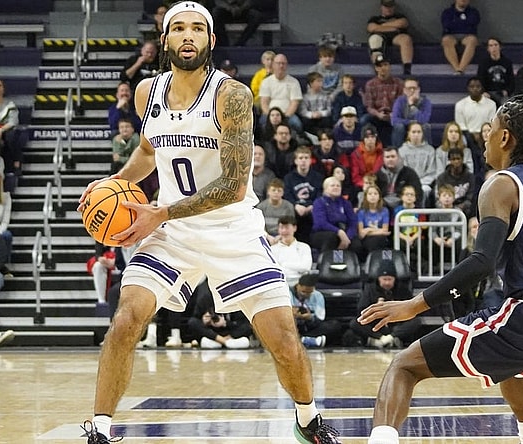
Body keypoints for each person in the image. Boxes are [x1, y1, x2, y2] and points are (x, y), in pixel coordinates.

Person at [76, 4, 342, 443]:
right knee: (126, 320)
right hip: (173, 233)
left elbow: (235, 186)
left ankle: (307, 419)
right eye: (178, 28)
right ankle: (101, 430)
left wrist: (159, 212)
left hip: (232, 229)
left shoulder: (231, 96)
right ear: (165, 41)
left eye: (197, 28)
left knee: (285, 343)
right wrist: (112, 183)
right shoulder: (147, 93)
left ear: (210, 41)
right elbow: (147, 151)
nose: (187, 35)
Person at [358, 95, 523, 444]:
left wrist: (413, 305)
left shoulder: (502, 184)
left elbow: (481, 262)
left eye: (492, 128)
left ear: (505, 138)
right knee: (512, 368)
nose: (485, 135)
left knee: (405, 365)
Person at [349, 261, 418, 348]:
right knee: (355, 323)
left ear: (395, 279)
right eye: (384, 279)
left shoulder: (402, 289)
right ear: (378, 279)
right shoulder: (370, 289)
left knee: (416, 322)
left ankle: (390, 338)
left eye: (390, 279)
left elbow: (410, 308)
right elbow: (361, 310)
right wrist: (375, 307)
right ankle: (381, 340)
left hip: (395, 324)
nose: (387, 283)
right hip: (375, 326)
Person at [185, 282, 253, 349]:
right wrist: (205, 320)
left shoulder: (234, 299)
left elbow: (243, 323)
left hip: (231, 334)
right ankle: (225, 342)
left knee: (249, 326)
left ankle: (221, 342)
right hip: (212, 334)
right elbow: (195, 319)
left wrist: (225, 323)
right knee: (192, 322)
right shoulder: (206, 298)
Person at [311, 176, 362, 255]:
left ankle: (353, 265)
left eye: (338, 186)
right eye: (332, 185)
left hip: (344, 232)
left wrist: (347, 237)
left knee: (356, 244)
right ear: (325, 189)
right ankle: (326, 263)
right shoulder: (319, 202)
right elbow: (321, 223)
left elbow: (353, 222)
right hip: (323, 232)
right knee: (331, 238)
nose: (336, 187)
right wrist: (339, 232)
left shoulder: (346, 203)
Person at [291, 273, 342, 348]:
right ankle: (309, 341)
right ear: (298, 286)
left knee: (334, 325)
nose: (306, 295)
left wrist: (310, 317)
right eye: (303, 292)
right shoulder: (288, 294)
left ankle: (302, 340)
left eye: (309, 293)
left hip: (310, 327)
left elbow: (321, 318)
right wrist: (292, 314)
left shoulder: (318, 296)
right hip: (293, 326)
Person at [364, 54, 404, 146]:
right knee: (364, 120)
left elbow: (401, 104)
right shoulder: (370, 84)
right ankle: (367, 149)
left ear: (389, 66)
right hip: (377, 114)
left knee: (399, 126)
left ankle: (395, 152)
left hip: (393, 115)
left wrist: (393, 114)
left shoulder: (399, 83)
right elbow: (369, 107)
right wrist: (378, 114)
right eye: (380, 66)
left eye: (385, 65)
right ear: (376, 68)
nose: (383, 68)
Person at [259, 54, 304, 134]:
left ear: (286, 65)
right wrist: (271, 116)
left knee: (297, 125)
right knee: (261, 124)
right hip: (270, 114)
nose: (281, 66)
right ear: (273, 65)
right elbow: (264, 103)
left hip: (288, 114)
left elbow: (294, 103)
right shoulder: (266, 82)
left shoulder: (294, 82)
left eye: (283, 63)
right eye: (278, 63)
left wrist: (285, 117)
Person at [367, 0, 414, 75]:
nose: (388, 9)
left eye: (390, 7)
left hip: (396, 37)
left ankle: (407, 69)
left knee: (406, 39)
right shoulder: (375, 19)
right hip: (380, 37)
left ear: (394, 7)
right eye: (386, 7)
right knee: (374, 39)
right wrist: (392, 27)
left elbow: (402, 23)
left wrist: (381, 26)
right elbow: (371, 28)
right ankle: (378, 68)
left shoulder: (399, 16)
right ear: (381, 7)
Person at [454, 76, 497, 151]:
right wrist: (473, 135)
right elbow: (461, 125)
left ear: (482, 88)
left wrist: (481, 134)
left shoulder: (491, 104)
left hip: (486, 134)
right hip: (467, 135)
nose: (475, 89)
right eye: (472, 86)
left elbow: (491, 123)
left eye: (478, 86)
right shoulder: (460, 104)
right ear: (468, 88)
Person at [398, 122, 437, 202]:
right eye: (413, 132)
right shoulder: (401, 151)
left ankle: (423, 213)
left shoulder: (430, 150)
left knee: (425, 190)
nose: (416, 135)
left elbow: (432, 172)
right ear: (408, 134)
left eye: (419, 132)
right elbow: (402, 171)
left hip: (424, 183)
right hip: (408, 183)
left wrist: (420, 183)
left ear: (423, 134)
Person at [375, 146, 423, 210]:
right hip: (382, 206)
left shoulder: (409, 173)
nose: (390, 159)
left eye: (393, 156)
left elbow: (418, 193)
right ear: (383, 159)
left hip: (404, 205)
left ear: (398, 157)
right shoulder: (377, 174)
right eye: (387, 157)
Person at [440, 0, 481, 75]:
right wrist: (463, 23)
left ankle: (461, 69)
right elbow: (447, 25)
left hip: (468, 35)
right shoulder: (447, 12)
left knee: (472, 40)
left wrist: (457, 22)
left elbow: (473, 24)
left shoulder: (474, 12)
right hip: (451, 35)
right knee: (446, 40)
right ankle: (457, 68)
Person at [390, 77, 432, 147]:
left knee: (426, 126)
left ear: (418, 89)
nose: (412, 90)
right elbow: (394, 120)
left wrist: (412, 105)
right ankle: (396, 151)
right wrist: (411, 122)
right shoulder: (399, 101)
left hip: (419, 127)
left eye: (414, 88)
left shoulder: (425, 101)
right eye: (409, 88)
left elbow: (424, 120)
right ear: (404, 90)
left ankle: (428, 150)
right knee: (399, 126)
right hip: (404, 127)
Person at [435, 148, 475, 218]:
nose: (456, 161)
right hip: (446, 207)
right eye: (453, 159)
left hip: (465, 209)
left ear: (462, 159)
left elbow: (470, 197)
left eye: (458, 159)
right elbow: (438, 197)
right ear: (449, 160)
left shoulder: (470, 177)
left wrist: (458, 209)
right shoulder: (442, 178)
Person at [476, 37, 514, 107]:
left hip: (503, 92)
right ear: (488, 49)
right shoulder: (484, 63)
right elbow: (480, 79)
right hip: (489, 92)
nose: (494, 47)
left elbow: (511, 79)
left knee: (506, 107)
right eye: (491, 45)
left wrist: (507, 91)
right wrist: (483, 92)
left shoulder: (507, 62)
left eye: (496, 45)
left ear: (500, 47)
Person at [356, 184, 391, 259]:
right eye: (370, 194)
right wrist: (378, 230)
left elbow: (385, 231)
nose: (373, 196)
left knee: (378, 240)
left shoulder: (385, 211)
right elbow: (361, 234)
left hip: (380, 238)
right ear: (366, 196)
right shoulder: (361, 212)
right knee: (370, 242)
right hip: (366, 239)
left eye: (375, 194)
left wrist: (367, 230)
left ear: (379, 197)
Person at [0, 79, 21, 175]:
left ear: (3, 89)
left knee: (11, 136)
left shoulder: (10, 105)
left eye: (0, 86)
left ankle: (16, 165)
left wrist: (1, 129)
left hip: (6, 130)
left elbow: (13, 122)